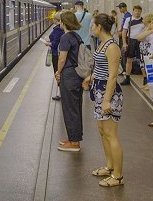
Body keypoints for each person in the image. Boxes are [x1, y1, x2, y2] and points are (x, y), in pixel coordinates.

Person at [84, 13, 124, 187]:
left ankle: (118, 176)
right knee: (102, 131)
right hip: (99, 89)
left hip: (109, 93)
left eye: (93, 26)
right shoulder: (101, 44)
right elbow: (101, 67)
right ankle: (109, 167)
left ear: (100, 27)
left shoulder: (112, 47)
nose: (91, 28)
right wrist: (91, 77)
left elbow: (113, 75)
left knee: (111, 134)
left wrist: (107, 100)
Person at [55, 10, 84, 152]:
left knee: (69, 108)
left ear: (64, 22)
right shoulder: (76, 36)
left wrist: (58, 72)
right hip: (76, 74)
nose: (59, 23)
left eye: (60, 21)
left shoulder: (65, 38)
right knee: (75, 107)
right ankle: (74, 138)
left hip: (69, 74)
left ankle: (74, 143)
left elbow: (62, 58)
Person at [120, 5, 145, 86]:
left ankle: (145, 79)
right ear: (133, 11)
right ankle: (127, 78)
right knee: (129, 60)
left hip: (140, 42)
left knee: (142, 60)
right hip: (131, 41)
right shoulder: (128, 19)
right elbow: (124, 32)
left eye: (139, 11)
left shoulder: (143, 20)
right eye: (136, 11)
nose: (137, 12)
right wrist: (124, 43)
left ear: (141, 12)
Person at [45, 12, 64, 101]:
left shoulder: (58, 29)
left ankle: (61, 93)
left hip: (56, 54)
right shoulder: (61, 29)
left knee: (57, 72)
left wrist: (48, 43)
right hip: (58, 53)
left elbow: (55, 43)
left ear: (56, 20)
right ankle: (61, 92)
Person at [116, 2, 132, 77]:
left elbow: (127, 28)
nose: (119, 9)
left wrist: (122, 32)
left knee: (124, 53)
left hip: (125, 37)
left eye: (120, 8)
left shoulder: (128, 15)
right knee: (122, 53)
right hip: (122, 35)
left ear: (124, 7)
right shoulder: (125, 15)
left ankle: (125, 69)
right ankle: (124, 69)